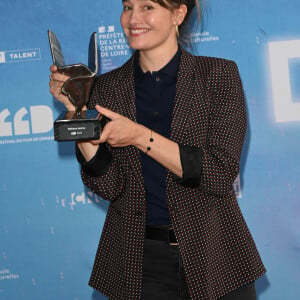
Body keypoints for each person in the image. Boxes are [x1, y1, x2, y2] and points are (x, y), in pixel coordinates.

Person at [49, 0, 266, 299]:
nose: (133, 18)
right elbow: (111, 186)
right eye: (127, 7)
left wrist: (139, 136)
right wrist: (78, 113)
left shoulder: (217, 75)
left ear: (178, 13)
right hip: (138, 262)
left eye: (147, 7)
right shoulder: (105, 88)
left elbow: (218, 173)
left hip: (216, 256)